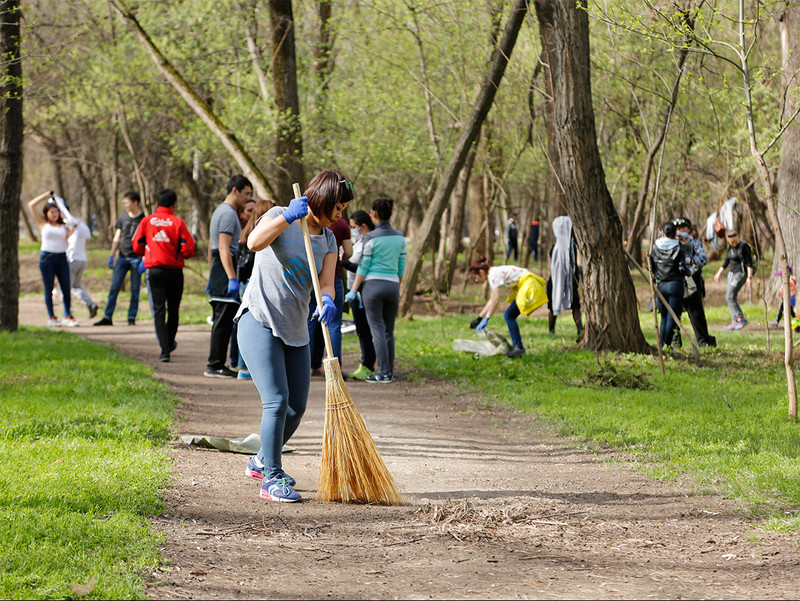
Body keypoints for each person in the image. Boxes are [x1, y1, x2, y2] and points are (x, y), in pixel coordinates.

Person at [237, 169, 352, 502]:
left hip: (296, 328)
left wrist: (328, 299)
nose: (340, 216)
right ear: (325, 199)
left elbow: (327, 281)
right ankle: (271, 477)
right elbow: (254, 242)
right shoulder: (279, 217)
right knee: (276, 400)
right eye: (339, 208)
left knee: (296, 406)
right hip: (259, 319)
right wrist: (287, 216)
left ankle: (261, 460)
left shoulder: (329, 239)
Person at [344, 197, 406, 383]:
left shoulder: (371, 237)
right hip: (392, 285)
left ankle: (383, 373)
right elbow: (401, 267)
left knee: (377, 330)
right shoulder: (400, 237)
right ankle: (389, 372)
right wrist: (397, 284)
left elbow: (363, 267)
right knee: (389, 331)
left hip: (373, 286)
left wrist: (354, 290)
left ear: (375, 215)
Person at [132, 189, 196, 362]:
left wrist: (147, 253)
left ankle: (164, 349)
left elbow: (136, 244)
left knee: (159, 310)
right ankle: (169, 342)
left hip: (154, 270)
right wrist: (180, 255)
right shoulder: (178, 222)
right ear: (174, 204)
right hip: (175, 271)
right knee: (173, 309)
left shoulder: (147, 221)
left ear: (157, 203)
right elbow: (189, 247)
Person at [205, 175, 253, 378]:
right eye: (246, 193)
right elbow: (223, 247)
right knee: (223, 320)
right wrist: (231, 277)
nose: (247, 198)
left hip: (221, 267)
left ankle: (217, 363)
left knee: (224, 320)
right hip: (225, 269)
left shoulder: (225, 212)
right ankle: (215, 365)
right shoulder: (227, 213)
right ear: (235, 190)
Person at [232, 199, 272, 380]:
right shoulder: (262, 234)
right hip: (254, 283)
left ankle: (243, 367)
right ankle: (247, 368)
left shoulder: (245, 232)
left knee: (246, 325)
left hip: (244, 283)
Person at [26, 191, 78, 327]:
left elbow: (68, 240)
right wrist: (47, 195)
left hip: (61, 258)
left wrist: (71, 231)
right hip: (47, 258)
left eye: (56, 212)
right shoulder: (43, 224)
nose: (54, 214)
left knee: (66, 287)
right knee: (49, 288)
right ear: (47, 213)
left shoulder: (64, 226)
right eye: (51, 212)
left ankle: (67, 315)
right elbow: (31, 205)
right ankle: (52, 317)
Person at [308, 214, 351, 374]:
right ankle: (335, 368)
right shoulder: (341, 224)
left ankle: (310, 365)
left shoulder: (305, 223)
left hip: (310, 279)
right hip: (333, 277)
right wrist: (339, 260)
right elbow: (349, 251)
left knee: (311, 322)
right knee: (332, 325)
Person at [94, 192, 144, 326]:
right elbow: (117, 237)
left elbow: (147, 240)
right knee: (114, 288)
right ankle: (107, 317)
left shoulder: (144, 219)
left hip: (137, 259)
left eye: (127, 203)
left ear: (135, 203)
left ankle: (131, 317)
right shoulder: (122, 218)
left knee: (135, 290)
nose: (125, 205)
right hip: (122, 257)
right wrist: (112, 254)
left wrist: (144, 258)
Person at [468, 258, 530, 357]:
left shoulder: (493, 275)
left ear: (481, 272)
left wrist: (487, 318)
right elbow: (492, 300)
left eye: (476, 277)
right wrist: (479, 318)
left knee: (508, 316)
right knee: (509, 315)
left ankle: (518, 348)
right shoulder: (493, 273)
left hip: (528, 286)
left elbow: (496, 300)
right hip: (526, 286)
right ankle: (518, 347)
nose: (476, 280)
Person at [342, 210, 376, 381]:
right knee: (361, 331)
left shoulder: (369, 243)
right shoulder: (359, 242)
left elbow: (364, 268)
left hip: (362, 291)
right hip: (353, 291)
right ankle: (366, 363)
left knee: (365, 330)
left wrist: (344, 263)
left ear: (363, 226)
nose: (351, 229)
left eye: (354, 227)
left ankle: (368, 365)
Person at [674, 217, 716, 347]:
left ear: (689, 229)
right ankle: (674, 343)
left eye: (683, 228)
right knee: (674, 316)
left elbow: (703, 259)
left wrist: (688, 262)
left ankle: (704, 342)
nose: (680, 231)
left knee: (697, 317)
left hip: (693, 286)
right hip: (675, 285)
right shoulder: (669, 244)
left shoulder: (695, 243)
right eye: (678, 228)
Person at [228, 197, 258, 373]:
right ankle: (241, 366)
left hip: (245, 283)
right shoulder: (247, 234)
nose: (251, 214)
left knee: (240, 324)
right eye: (249, 210)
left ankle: (237, 363)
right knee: (243, 324)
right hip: (246, 284)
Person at [650, 221, 687, 349]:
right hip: (675, 285)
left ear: (663, 233)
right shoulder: (678, 247)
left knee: (664, 315)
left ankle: (662, 343)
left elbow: (651, 266)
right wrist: (688, 271)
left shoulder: (655, 246)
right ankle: (666, 342)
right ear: (675, 233)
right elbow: (682, 269)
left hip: (661, 285)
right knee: (673, 315)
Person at [545, 216, 583, 339]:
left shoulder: (570, 244)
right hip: (557, 280)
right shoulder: (558, 248)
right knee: (553, 306)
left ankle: (579, 329)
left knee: (575, 305)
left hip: (570, 279)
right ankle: (551, 329)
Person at [713, 230, 754, 330]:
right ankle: (735, 320)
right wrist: (718, 273)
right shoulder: (730, 247)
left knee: (729, 296)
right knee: (731, 296)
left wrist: (749, 277)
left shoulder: (744, 246)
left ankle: (740, 319)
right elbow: (726, 262)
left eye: (735, 242)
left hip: (740, 274)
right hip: (731, 274)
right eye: (732, 243)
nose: (734, 244)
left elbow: (749, 263)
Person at [66, 210, 98, 318]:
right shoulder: (82, 225)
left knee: (66, 287)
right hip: (82, 259)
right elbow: (85, 242)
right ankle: (90, 304)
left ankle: (68, 313)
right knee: (76, 286)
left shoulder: (69, 224)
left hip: (72, 260)